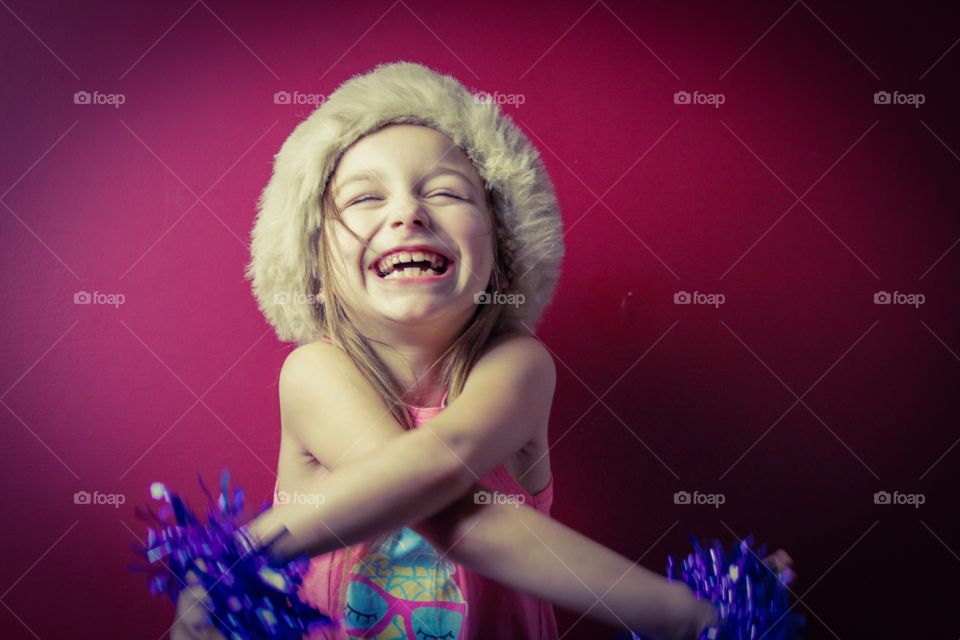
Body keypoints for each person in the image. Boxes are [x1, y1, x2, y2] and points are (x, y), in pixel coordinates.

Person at [171, 61, 793, 640]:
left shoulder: (518, 366)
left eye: (446, 192)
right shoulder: (314, 372)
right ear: (317, 266)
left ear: (503, 254)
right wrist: (686, 617)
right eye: (365, 198)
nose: (407, 213)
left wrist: (237, 560)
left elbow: (445, 472)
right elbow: (433, 500)